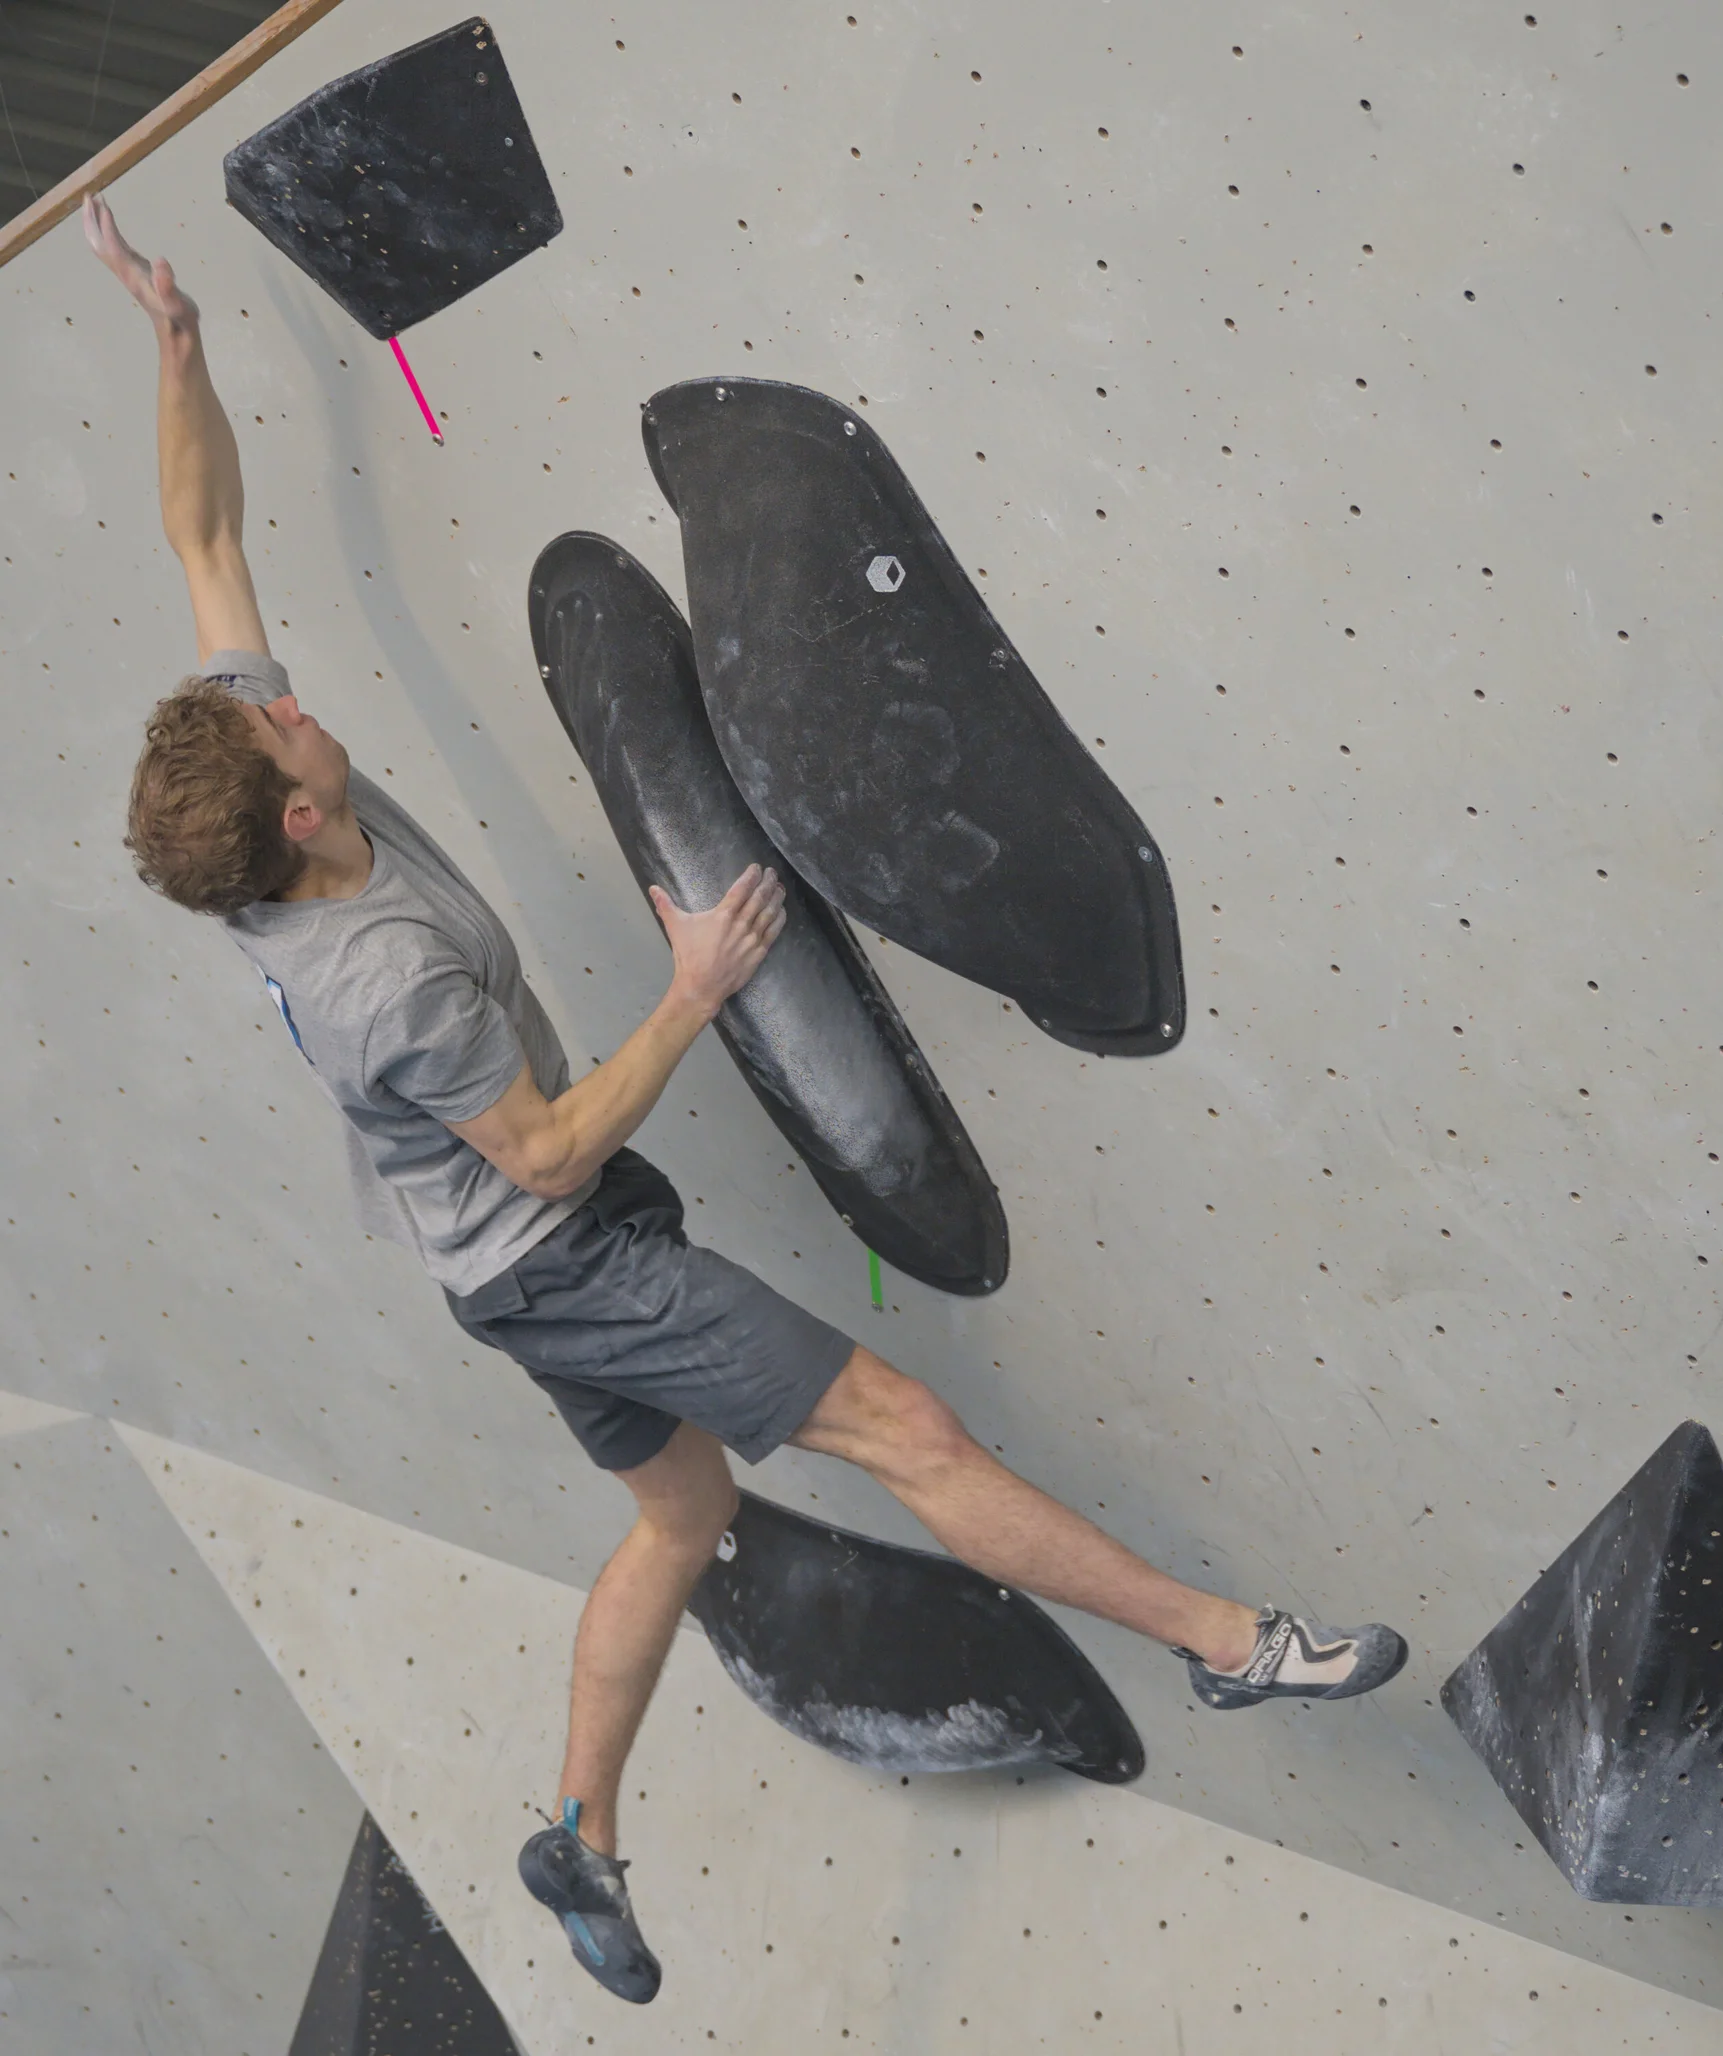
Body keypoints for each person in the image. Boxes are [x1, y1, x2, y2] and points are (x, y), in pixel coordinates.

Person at [86, 194, 1408, 2004]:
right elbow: (548, 1150)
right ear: (299, 820)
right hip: (562, 1257)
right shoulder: (381, 980)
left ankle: (579, 1831)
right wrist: (696, 989)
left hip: (495, 1276)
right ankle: (1228, 1640)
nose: (296, 707)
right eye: (287, 730)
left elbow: (202, 536)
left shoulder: (262, 820)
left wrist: (177, 347)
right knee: (907, 1431)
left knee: (678, 1519)